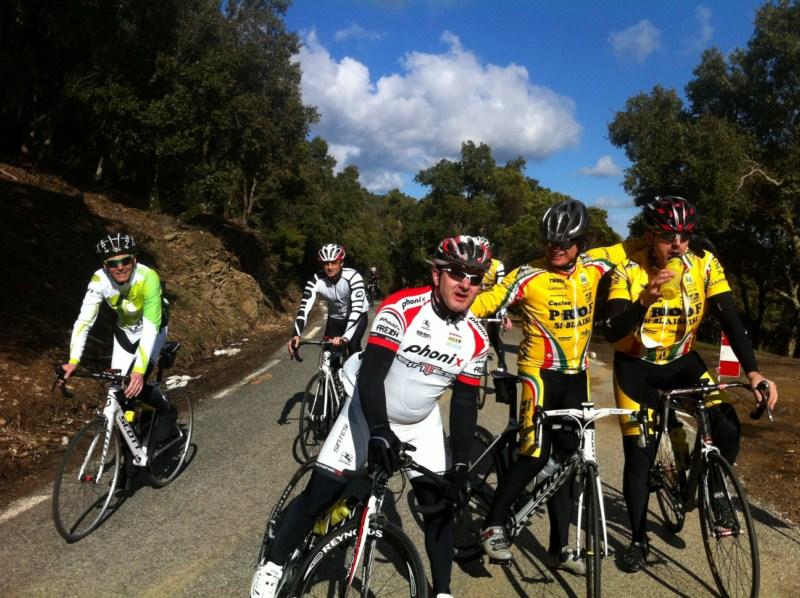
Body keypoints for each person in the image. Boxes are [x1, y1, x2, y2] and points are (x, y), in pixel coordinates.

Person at [251, 236, 492, 598]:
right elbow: (373, 372)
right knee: (320, 496)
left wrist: (460, 464)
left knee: (439, 510)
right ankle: (273, 563)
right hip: (367, 410)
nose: (465, 285)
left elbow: (463, 403)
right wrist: (379, 430)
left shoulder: (476, 337)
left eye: (475, 278)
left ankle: (442, 591)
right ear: (436, 273)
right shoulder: (402, 308)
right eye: (457, 273)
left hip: (420, 423)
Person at [600, 195, 778, 572]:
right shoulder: (627, 270)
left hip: (683, 361)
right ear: (649, 236)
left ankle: (714, 489)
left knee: (726, 422)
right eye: (667, 236)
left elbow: (730, 318)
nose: (678, 243)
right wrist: (644, 299)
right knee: (639, 454)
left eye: (684, 234)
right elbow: (612, 328)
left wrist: (755, 372)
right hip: (636, 367)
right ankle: (637, 539)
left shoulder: (704, 262)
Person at [471, 199, 642, 572]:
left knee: (569, 461)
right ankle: (492, 525)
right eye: (550, 242)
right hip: (538, 375)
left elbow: (640, 244)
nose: (556, 249)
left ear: (581, 242)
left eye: (564, 243)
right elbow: (484, 302)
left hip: (576, 378)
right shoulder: (526, 275)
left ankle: (560, 548)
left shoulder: (596, 265)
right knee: (534, 453)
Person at [60, 233, 174, 447]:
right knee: (117, 389)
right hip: (125, 331)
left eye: (125, 261)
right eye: (113, 263)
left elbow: (150, 328)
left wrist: (139, 372)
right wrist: (73, 360)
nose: (120, 267)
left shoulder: (148, 277)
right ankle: (130, 446)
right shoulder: (99, 280)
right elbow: (85, 320)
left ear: (134, 260)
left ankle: (167, 411)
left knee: (134, 382)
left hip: (154, 328)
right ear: (106, 266)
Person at [288, 243, 368, 360]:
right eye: (326, 263)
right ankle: (331, 376)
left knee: (353, 346)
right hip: (335, 318)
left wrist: (345, 338)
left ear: (341, 263)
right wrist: (296, 335)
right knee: (329, 354)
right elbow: (304, 309)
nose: (330, 267)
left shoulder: (353, 277)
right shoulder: (315, 281)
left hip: (357, 316)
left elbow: (356, 310)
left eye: (334, 262)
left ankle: (361, 376)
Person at [475, 236, 511, 372]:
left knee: (494, 333)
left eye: (484, 250)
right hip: (476, 301)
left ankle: (502, 364)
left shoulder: (497, 265)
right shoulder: (473, 263)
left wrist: (503, 315)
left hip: (493, 301)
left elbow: (501, 291)